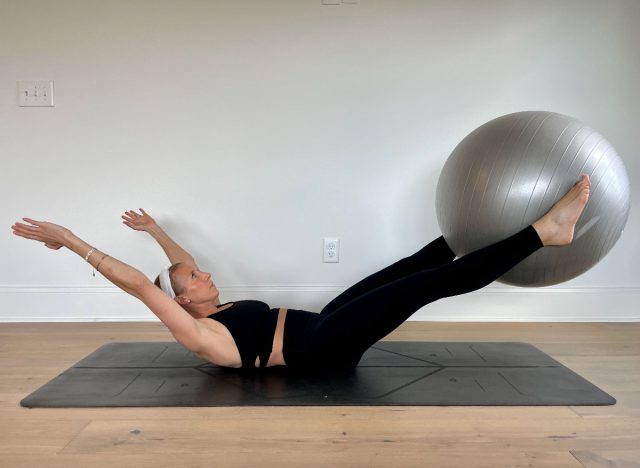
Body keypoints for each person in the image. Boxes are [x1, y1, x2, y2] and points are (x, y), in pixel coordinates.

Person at [11, 175, 591, 376]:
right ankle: (544, 232)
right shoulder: (201, 335)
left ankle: (475, 231)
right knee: (427, 285)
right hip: (322, 348)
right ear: (185, 302)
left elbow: (174, 265)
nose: (205, 273)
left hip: (322, 323)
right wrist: (72, 242)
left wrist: (157, 231)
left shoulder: (208, 309)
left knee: (416, 264)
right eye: (195, 277)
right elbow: (144, 285)